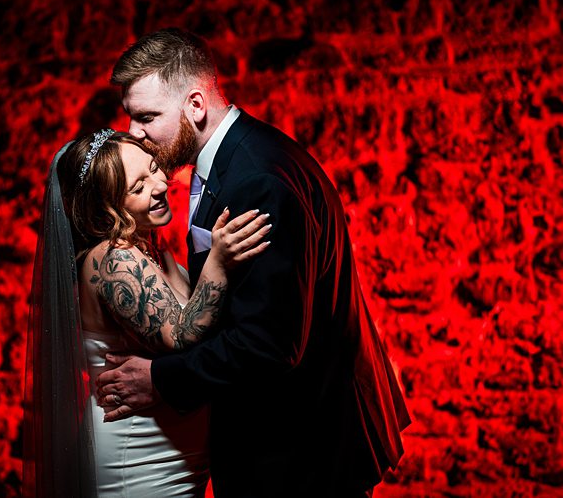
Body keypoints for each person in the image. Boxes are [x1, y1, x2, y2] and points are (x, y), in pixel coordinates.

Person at [96, 28, 411, 497]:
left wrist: (160, 378)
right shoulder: (238, 157)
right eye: (131, 118)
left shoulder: (257, 181)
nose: (134, 133)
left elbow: (270, 344)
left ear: (196, 105)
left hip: (301, 451)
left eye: (146, 117)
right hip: (293, 440)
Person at [23, 129, 270, 498]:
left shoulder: (152, 247)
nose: (160, 185)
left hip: (178, 453)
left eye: (155, 169)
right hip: (137, 455)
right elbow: (183, 335)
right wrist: (218, 260)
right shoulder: (114, 259)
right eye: (137, 187)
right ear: (106, 206)